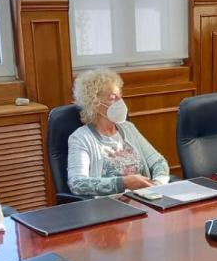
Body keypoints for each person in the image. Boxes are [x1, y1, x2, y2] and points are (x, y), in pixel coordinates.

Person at [68, 68, 170, 196]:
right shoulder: (80, 138)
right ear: (94, 103)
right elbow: (77, 183)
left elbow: (159, 162)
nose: (120, 103)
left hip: (145, 199)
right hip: (109, 207)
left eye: (120, 97)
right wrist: (124, 183)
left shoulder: (128, 128)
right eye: (112, 98)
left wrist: (157, 185)